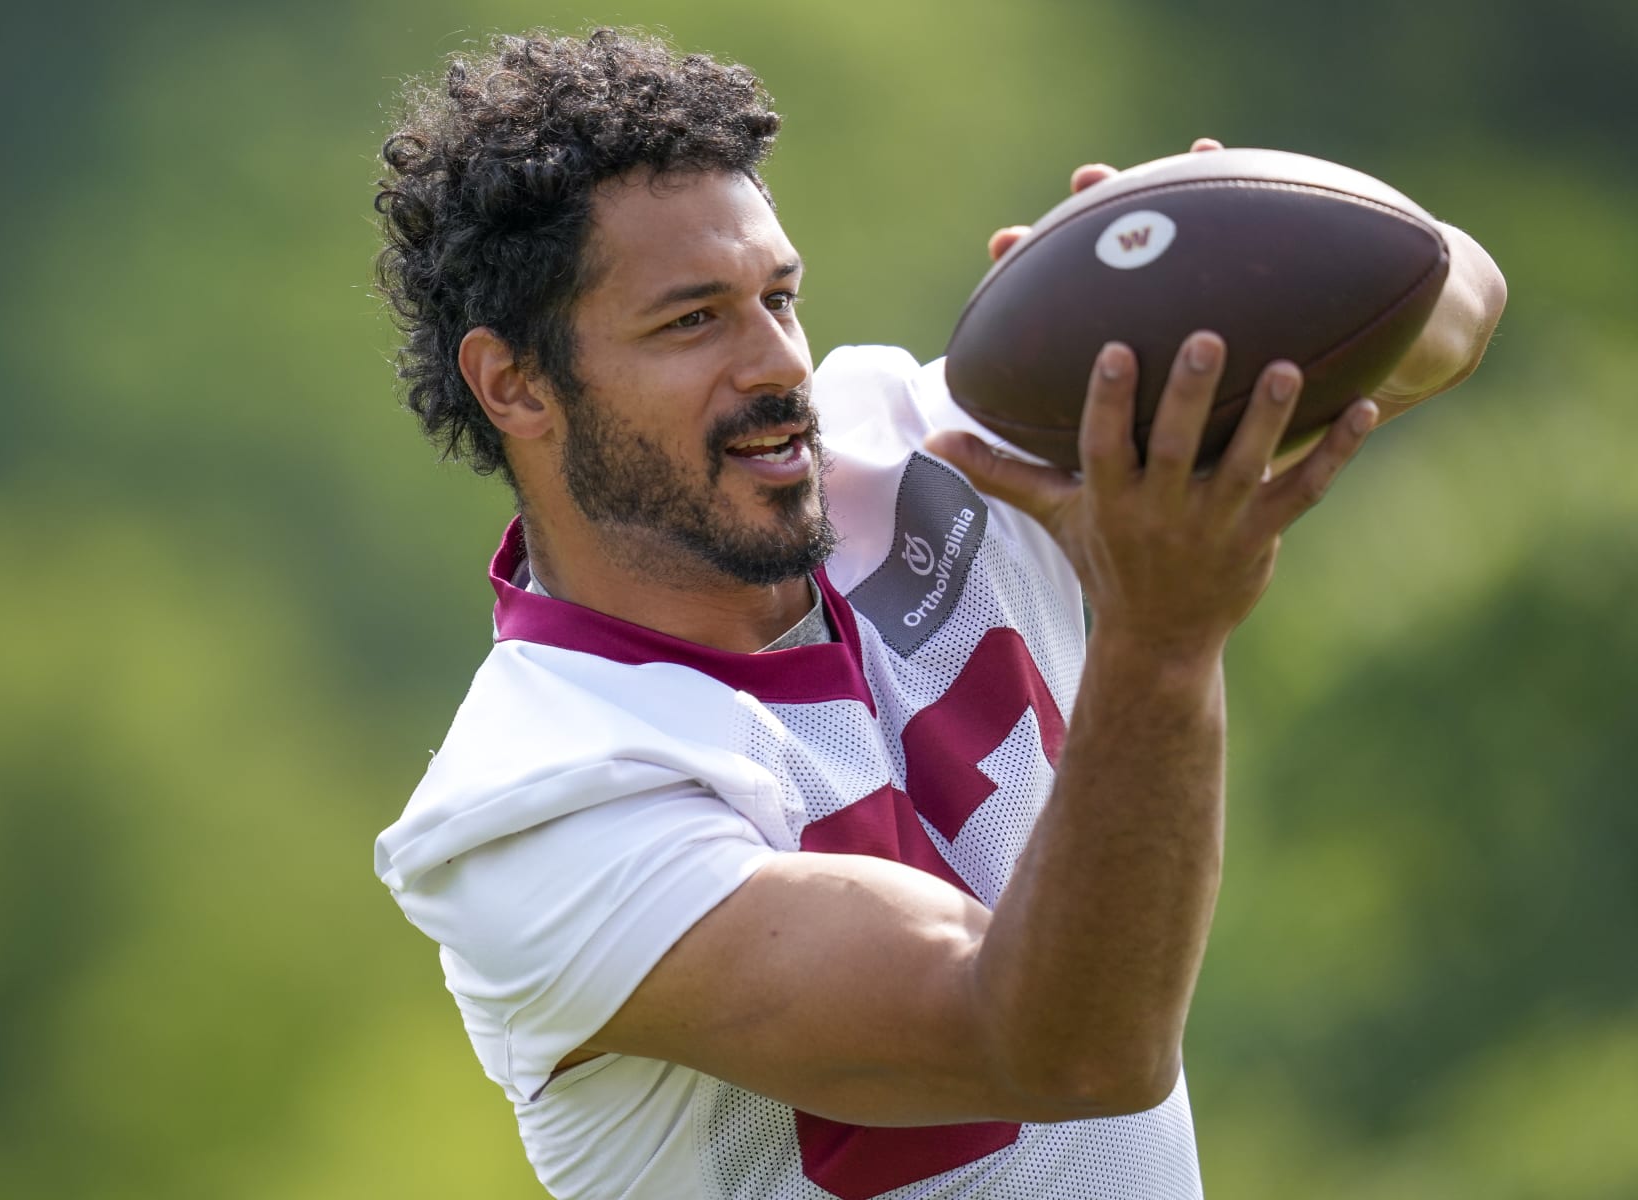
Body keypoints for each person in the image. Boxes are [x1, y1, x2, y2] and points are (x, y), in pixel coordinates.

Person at [369, 28, 1506, 1200]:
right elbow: (1062, 1050)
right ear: (513, 382)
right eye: (691, 321)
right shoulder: (536, 803)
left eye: (779, 297)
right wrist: (1160, 643)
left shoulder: (940, 440)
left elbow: (1461, 302)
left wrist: (1245, 250)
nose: (776, 364)